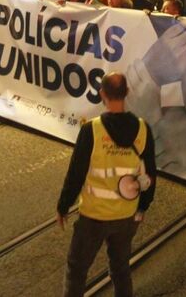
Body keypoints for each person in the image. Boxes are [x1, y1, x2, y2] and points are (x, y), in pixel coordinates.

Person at [57, 72, 157, 297]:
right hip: (126, 216)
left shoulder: (92, 130)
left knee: (77, 270)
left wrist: (63, 206)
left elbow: (76, 175)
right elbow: (150, 174)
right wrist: (142, 207)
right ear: (127, 93)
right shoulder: (143, 129)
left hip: (94, 216)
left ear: (102, 94)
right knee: (121, 269)